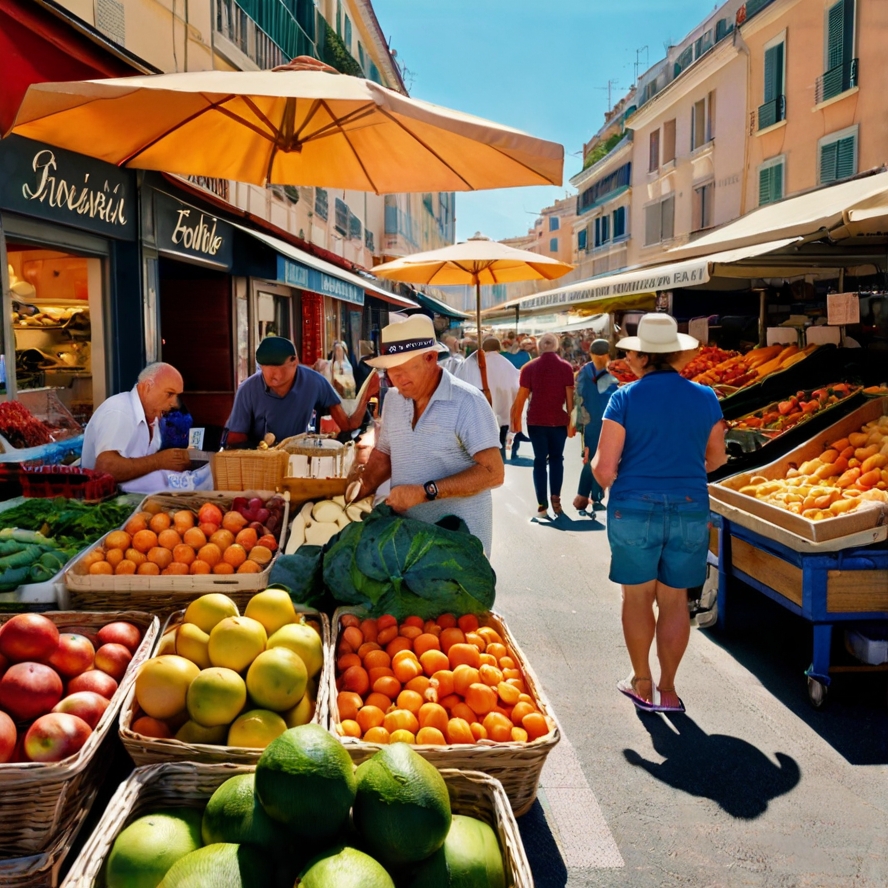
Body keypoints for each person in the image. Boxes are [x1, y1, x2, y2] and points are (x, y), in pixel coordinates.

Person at [592, 314, 727, 714]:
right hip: (688, 505)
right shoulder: (706, 397)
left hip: (633, 505)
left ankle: (642, 682)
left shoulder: (625, 397)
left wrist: (608, 476)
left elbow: (603, 468)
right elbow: (716, 458)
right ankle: (668, 691)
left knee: (637, 598)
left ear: (640, 356)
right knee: (674, 601)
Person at [346, 314, 504, 555]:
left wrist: (425, 492)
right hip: (407, 541)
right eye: (390, 371)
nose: (394, 379)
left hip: (459, 546)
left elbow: (494, 473)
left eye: (402, 370)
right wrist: (360, 489)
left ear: (430, 358)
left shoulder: (467, 401)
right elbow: (385, 453)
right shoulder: (393, 400)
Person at [224, 336, 377, 447]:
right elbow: (235, 438)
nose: (272, 374)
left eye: (278, 367)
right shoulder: (248, 389)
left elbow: (347, 425)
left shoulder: (315, 382)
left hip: (298, 455)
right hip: (259, 459)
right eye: (265, 366)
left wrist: (366, 396)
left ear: (294, 362)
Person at [81, 362, 191, 494]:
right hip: (105, 503)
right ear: (147, 387)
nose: (174, 403)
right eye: (169, 394)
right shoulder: (119, 411)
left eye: (177, 396)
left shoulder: (153, 417)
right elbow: (105, 468)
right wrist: (159, 461)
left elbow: (142, 468)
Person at [510, 332, 576, 518]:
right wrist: (571, 423)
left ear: (539, 348)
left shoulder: (529, 368)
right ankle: (556, 499)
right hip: (559, 421)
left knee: (539, 461)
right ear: (556, 347)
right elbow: (570, 400)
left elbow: (521, 398)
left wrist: (516, 423)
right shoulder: (566, 368)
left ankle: (542, 505)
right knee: (557, 459)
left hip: (536, 421)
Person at [454, 336, 520, 461]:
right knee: (501, 430)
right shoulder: (506, 364)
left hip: (483, 406)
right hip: (503, 407)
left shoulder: (476, 363)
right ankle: (500, 457)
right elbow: (515, 385)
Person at [573, 339, 618, 516]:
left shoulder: (584, 372)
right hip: (602, 422)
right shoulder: (612, 371)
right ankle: (593, 497)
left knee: (595, 458)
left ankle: (587, 496)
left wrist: (577, 423)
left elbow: (579, 398)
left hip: (596, 422)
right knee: (596, 459)